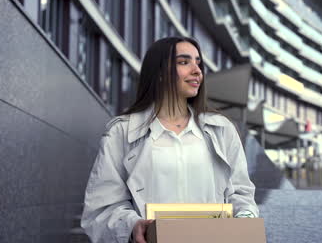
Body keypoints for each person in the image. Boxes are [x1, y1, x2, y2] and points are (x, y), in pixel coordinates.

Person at [81, 37, 259, 243]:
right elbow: (101, 208)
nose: (197, 70)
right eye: (184, 62)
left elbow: (241, 194)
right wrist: (133, 225)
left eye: (198, 63)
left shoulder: (222, 129)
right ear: (159, 73)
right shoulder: (121, 133)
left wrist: (246, 219)